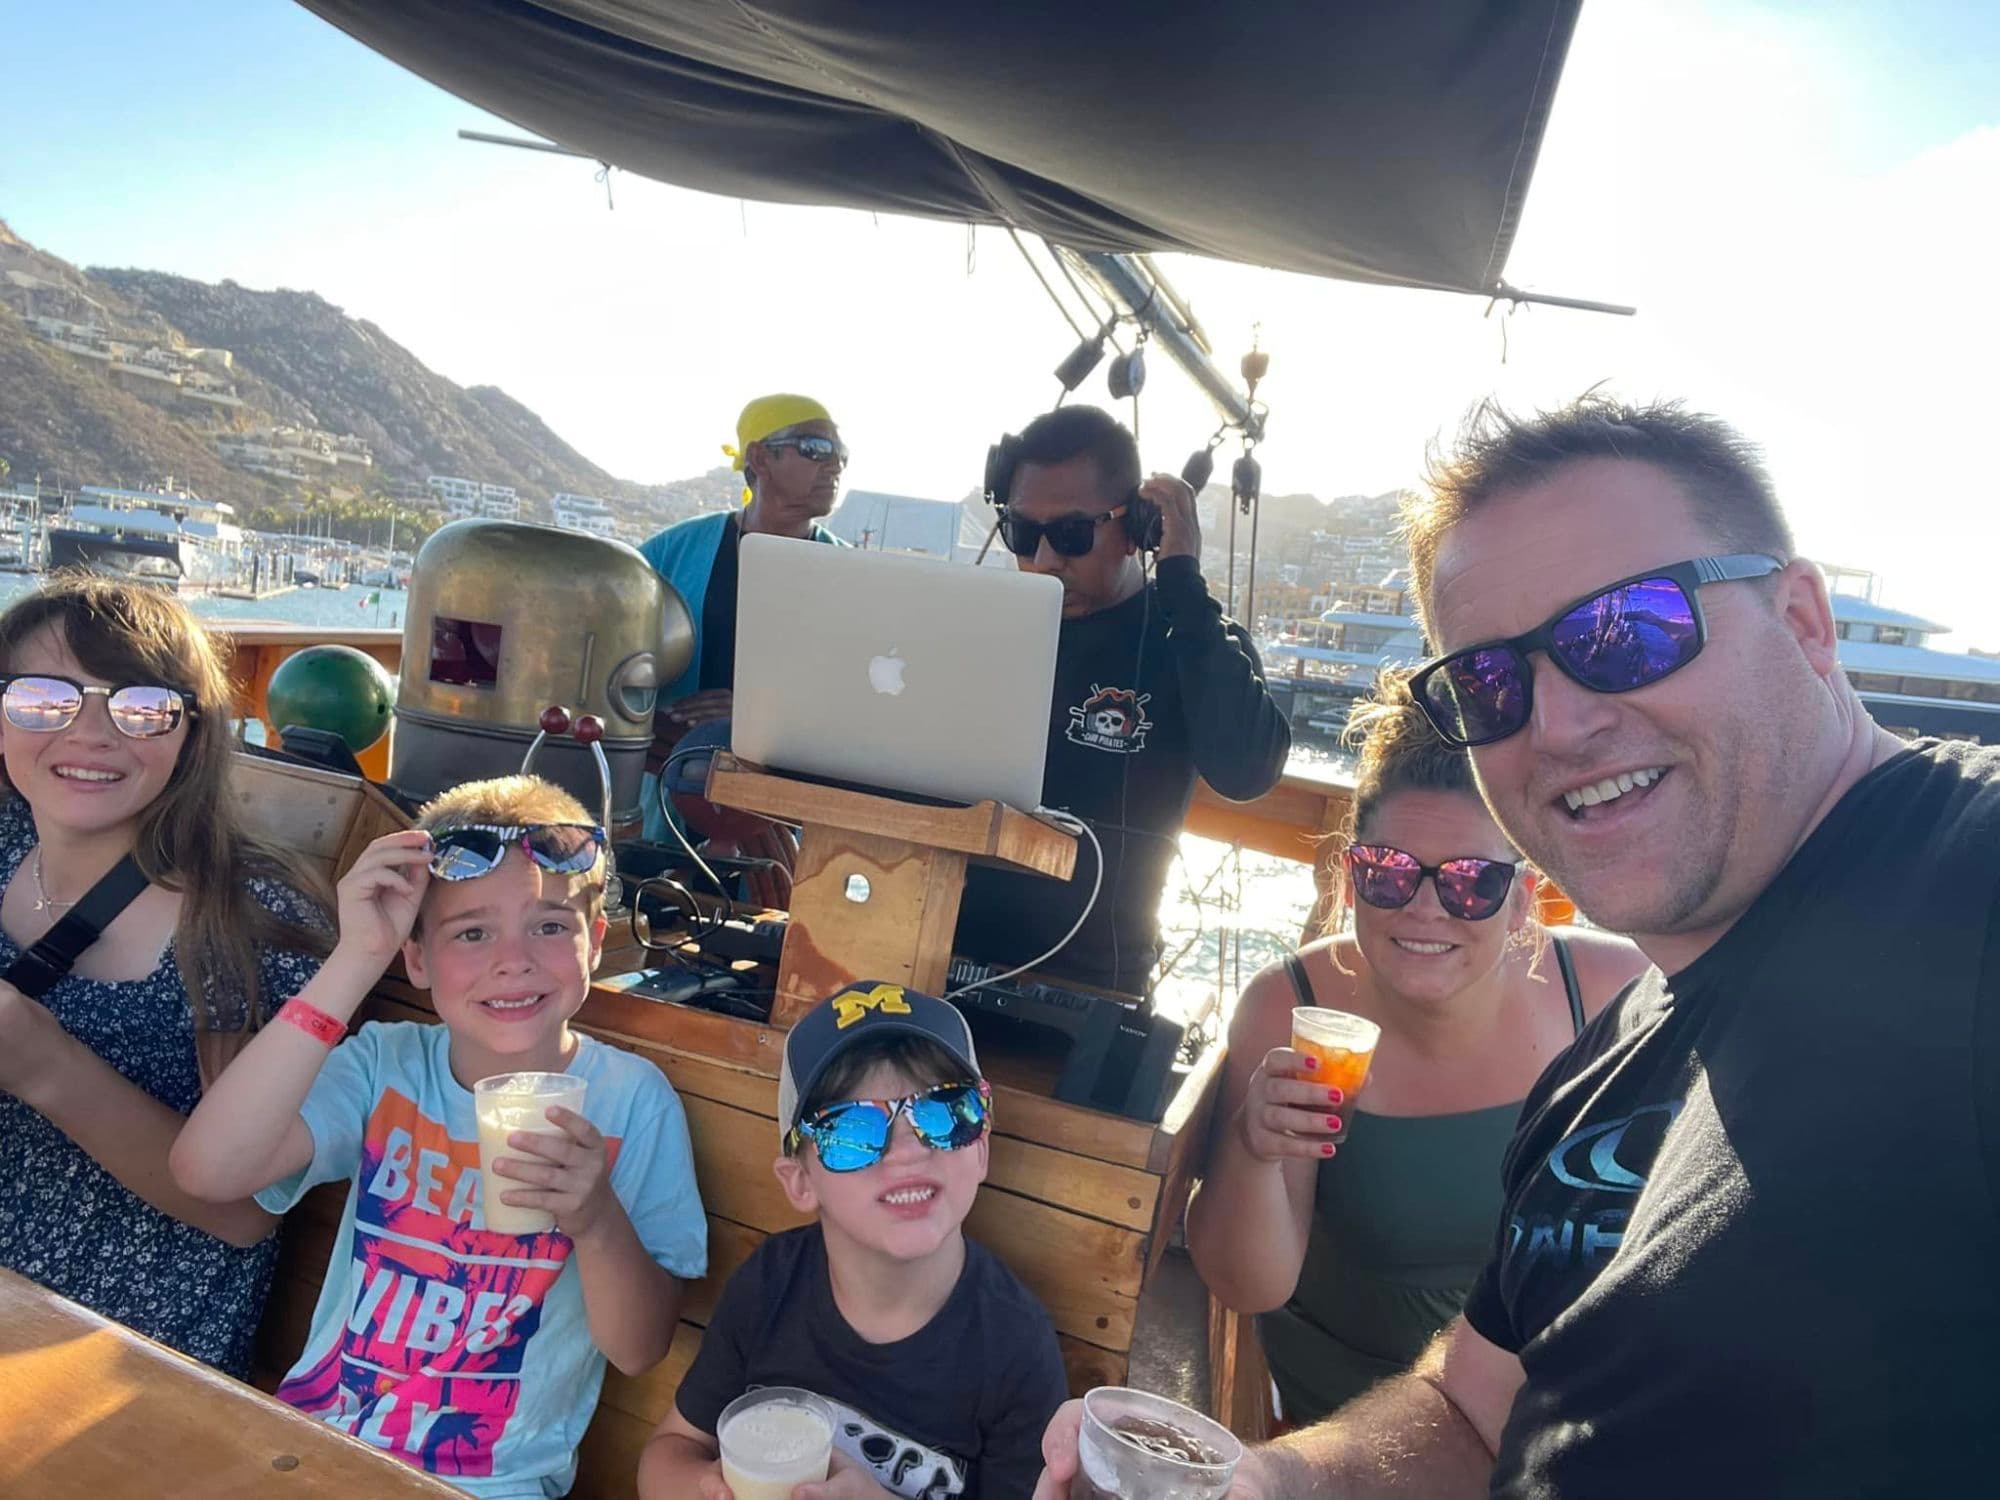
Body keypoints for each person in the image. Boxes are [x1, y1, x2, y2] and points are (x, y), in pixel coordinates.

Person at [1035, 395, 2000, 1498]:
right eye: (1490, 683)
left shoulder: (1964, 887)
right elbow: (1465, 1412)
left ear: (1800, 621)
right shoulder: (1610, 1069)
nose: (1555, 723)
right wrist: (1265, 1487)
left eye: (1626, 630)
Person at [172, 775, 707, 1498]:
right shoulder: (385, 1065)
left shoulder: (632, 1102)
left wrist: (595, 1218)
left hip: (491, 1484)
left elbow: (639, 1350)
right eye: (472, 931)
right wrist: (356, 958)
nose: (512, 958)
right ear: (416, 960)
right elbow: (208, 1169)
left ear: (595, 944)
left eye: (550, 925)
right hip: (312, 1444)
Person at [1184, 668, 1645, 1425]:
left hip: (1567, 1406)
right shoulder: (1293, 1006)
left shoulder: (1608, 991)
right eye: (1389, 873)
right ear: (1349, 878)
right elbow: (1250, 1286)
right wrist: (1255, 1146)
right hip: (1364, 1425)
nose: (1426, 909)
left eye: (1470, 882)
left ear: (1522, 898)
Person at [0, 573, 331, 1378]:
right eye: (45, 699)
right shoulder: (7, 841)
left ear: (193, 731)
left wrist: (46, 1068)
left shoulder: (249, 918)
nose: (89, 734)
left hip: (122, 1360)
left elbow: (250, 1212)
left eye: (139, 706)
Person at [638, 981, 1069, 1500]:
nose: (908, 1150)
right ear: (800, 1182)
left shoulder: (1014, 1346)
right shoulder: (771, 1283)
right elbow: (669, 1453)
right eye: (852, 1132)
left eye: (945, 1114)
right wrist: (707, 1489)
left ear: (980, 1150)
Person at [955, 406, 1290, 994]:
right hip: (935, 953)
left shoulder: (1191, 638)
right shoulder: (978, 626)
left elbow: (1246, 771)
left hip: (1090, 989)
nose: (1044, 559)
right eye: (1023, 533)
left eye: (1071, 535)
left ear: (1137, 527)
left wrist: (1183, 578)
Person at [638, 392, 848, 846]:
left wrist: (756, 718)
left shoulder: (852, 576)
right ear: (760, 458)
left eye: (841, 455)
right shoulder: (668, 555)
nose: (835, 466)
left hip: (781, 819)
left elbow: (855, 703)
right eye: (817, 449)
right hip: (666, 802)